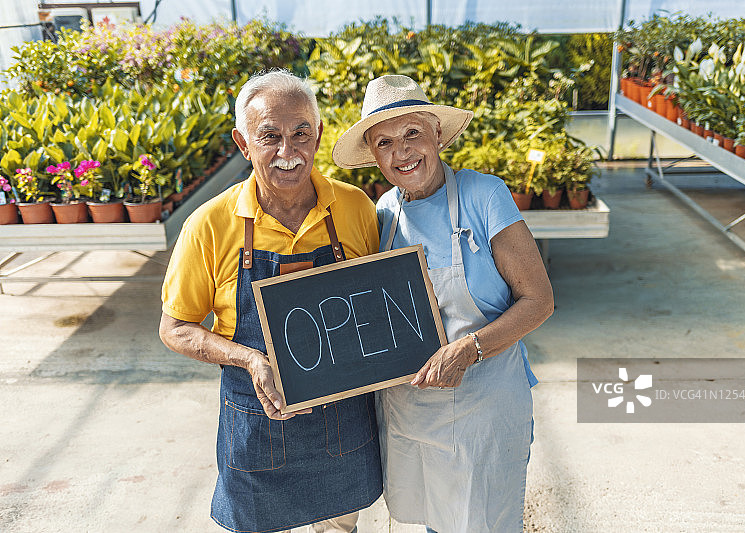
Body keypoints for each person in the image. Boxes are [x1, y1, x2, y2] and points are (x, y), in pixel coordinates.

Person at [159, 69, 382, 533]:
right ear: (243, 144)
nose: (288, 151)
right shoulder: (209, 225)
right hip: (255, 422)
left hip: (342, 422)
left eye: (300, 133)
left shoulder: (356, 208)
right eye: (269, 136)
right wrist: (250, 359)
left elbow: (380, 306)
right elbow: (175, 328)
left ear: (318, 134)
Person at [332, 75, 554, 533]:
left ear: (437, 132)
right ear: (373, 155)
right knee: (433, 521)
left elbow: (538, 300)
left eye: (412, 133)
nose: (402, 152)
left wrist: (468, 349)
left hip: (483, 406)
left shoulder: (484, 196)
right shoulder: (383, 213)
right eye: (384, 142)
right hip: (410, 411)